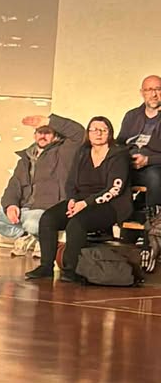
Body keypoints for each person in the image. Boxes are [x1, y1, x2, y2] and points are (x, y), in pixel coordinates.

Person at [26, 116, 132, 284]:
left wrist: (85, 204)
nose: (98, 133)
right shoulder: (83, 152)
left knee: (77, 223)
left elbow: (114, 189)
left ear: (110, 133)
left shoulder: (119, 155)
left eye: (103, 130)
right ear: (88, 133)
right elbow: (71, 182)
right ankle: (46, 266)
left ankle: (70, 270)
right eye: (94, 130)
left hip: (109, 205)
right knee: (48, 218)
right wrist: (72, 200)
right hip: (80, 201)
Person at [0, 113, 86, 246]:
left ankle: (41, 240)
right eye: (40, 132)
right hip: (24, 209)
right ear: (34, 135)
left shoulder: (63, 153)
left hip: (45, 210)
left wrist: (48, 121)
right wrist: (11, 205)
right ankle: (24, 236)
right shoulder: (25, 158)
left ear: (55, 136)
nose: (43, 136)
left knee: (32, 224)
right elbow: (14, 186)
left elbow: (79, 133)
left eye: (47, 132)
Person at [118, 74, 161, 217]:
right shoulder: (132, 116)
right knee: (108, 172)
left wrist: (148, 160)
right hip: (130, 164)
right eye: (149, 90)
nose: (153, 94)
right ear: (142, 93)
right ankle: (116, 217)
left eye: (158, 89)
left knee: (154, 176)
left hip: (155, 166)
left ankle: (155, 220)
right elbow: (120, 144)